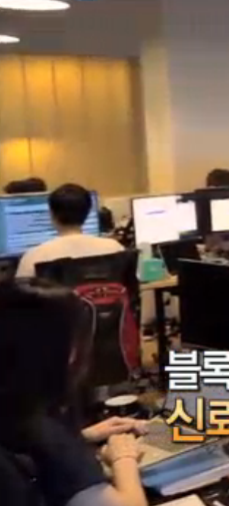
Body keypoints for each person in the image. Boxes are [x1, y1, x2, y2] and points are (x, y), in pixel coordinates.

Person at [0, 279, 148, 506]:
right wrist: (123, 457)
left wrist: (83, 436)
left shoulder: (16, 411)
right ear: (65, 351)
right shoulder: (42, 430)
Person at [16, 184, 123, 278]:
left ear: (52, 214)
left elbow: (20, 293)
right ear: (88, 213)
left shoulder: (33, 257)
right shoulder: (115, 248)